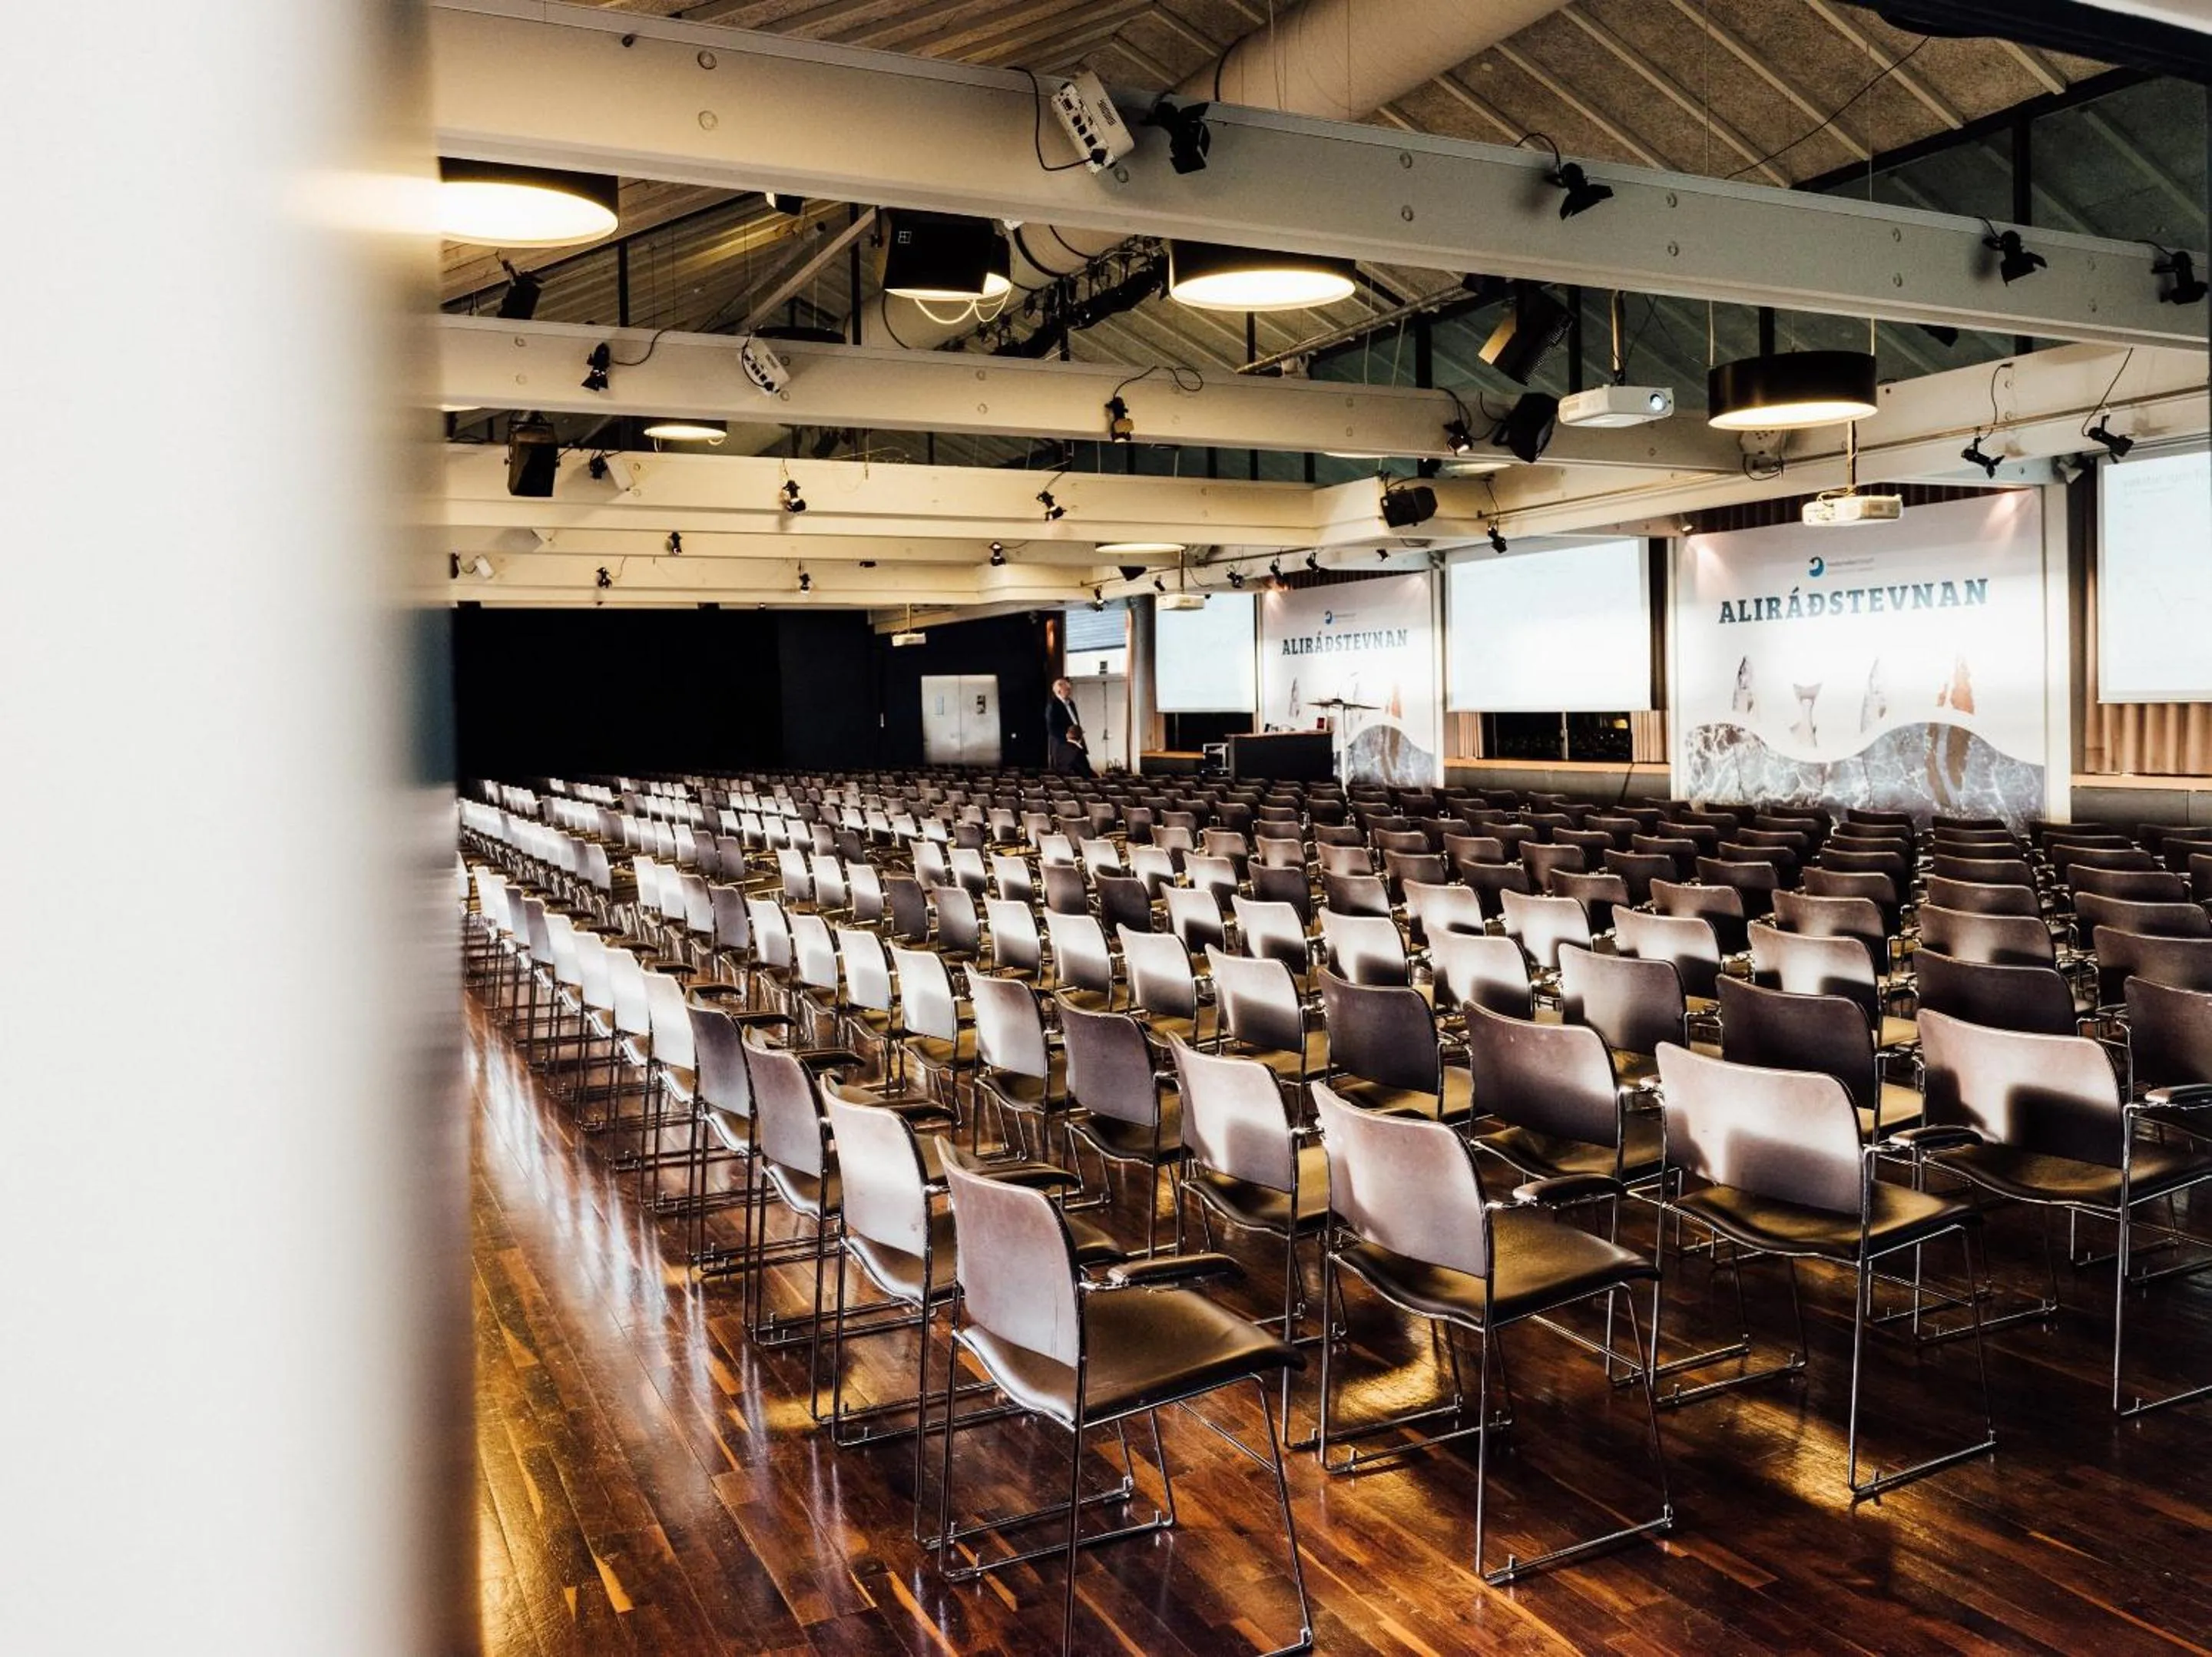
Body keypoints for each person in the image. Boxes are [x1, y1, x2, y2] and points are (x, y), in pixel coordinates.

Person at [1045, 676, 1093, 776]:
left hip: (1076, 741)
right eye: (1067, 689)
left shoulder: (1071, 703)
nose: (1070, 691)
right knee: (1070, 773)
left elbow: (1075, 721)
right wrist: (1069, 739)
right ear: (1059, 691)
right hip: (1064, 744)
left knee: (1082, 769)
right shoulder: (1053, 705)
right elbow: (1052, 728)